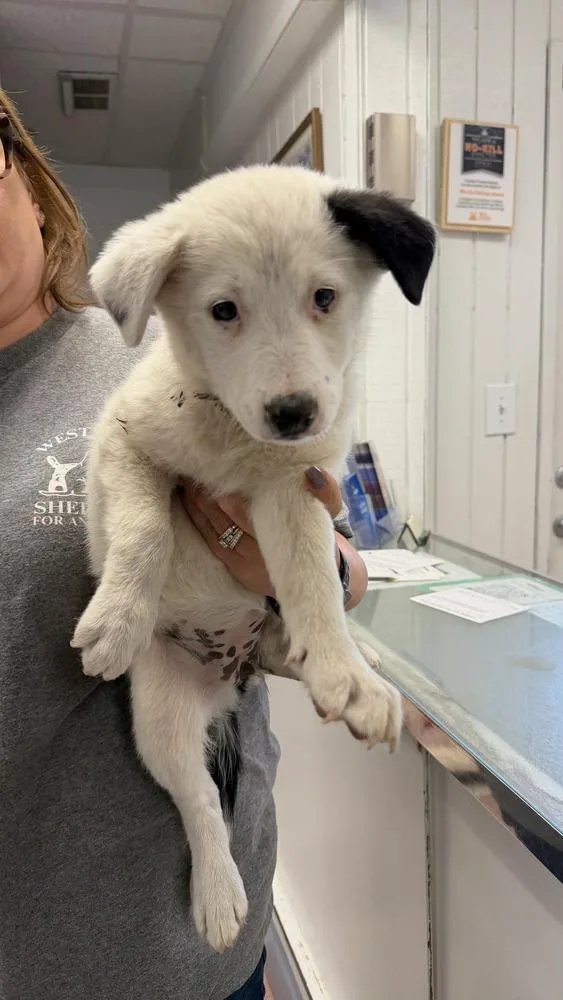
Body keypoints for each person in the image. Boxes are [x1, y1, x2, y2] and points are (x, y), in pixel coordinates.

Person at [0, 91, 368, 1000]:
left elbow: (334, 550)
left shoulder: (166, 345)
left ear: (25, 172)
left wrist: (303, 583)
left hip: (167, 947)